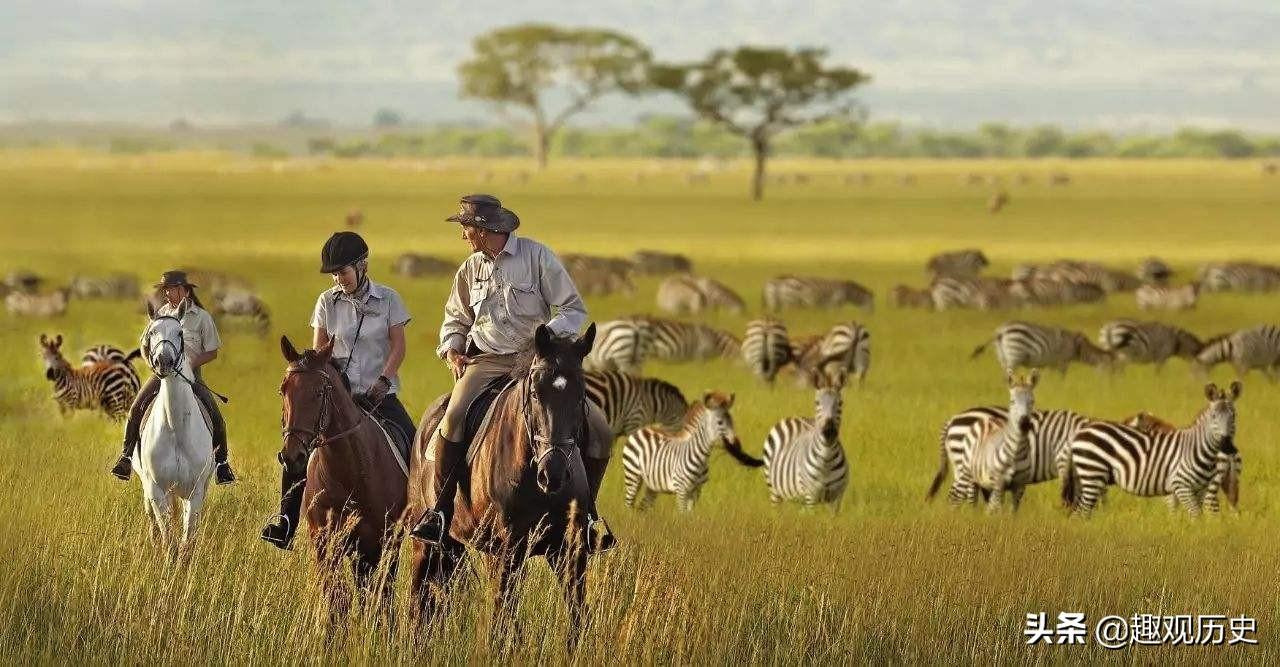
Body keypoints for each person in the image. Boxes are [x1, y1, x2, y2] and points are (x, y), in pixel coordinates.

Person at [409, 194, 615, 551]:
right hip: (487, 362)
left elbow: (572, 308)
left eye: (466, 228)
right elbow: (455, 319)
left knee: (598, 427)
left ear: (485, 229)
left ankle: (588, 514)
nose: (463, 236)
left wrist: (546, 339)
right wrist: (453, 348)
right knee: (453, 418)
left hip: (536, 361)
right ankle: (439, 514)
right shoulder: (470, 268)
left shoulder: (538, 257)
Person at [261, 231, 414, 549]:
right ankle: (286, 521)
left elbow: (398, 347)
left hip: (379, 396)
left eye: (342, 272)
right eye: (333, 273)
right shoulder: (326, 302)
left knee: (414, 445)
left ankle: (424, 517)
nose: (337, 279)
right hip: (337, 397)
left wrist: (384, 381)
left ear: (362, 266)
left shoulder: (389, 299)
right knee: (297, 449)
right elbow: (319, 352)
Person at [111, 270, 235, 484]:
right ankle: (126, 456)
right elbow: (143, 345)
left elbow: (212, 351)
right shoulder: (160, 314)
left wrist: (189, 364)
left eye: (171, 289)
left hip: (191, 375)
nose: (167, 294)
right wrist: (150, 362)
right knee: (135, 408)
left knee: (215, 414)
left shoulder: (202, 317)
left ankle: (222, 464)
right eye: (165, 290)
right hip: (162, 373)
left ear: (185, 290)